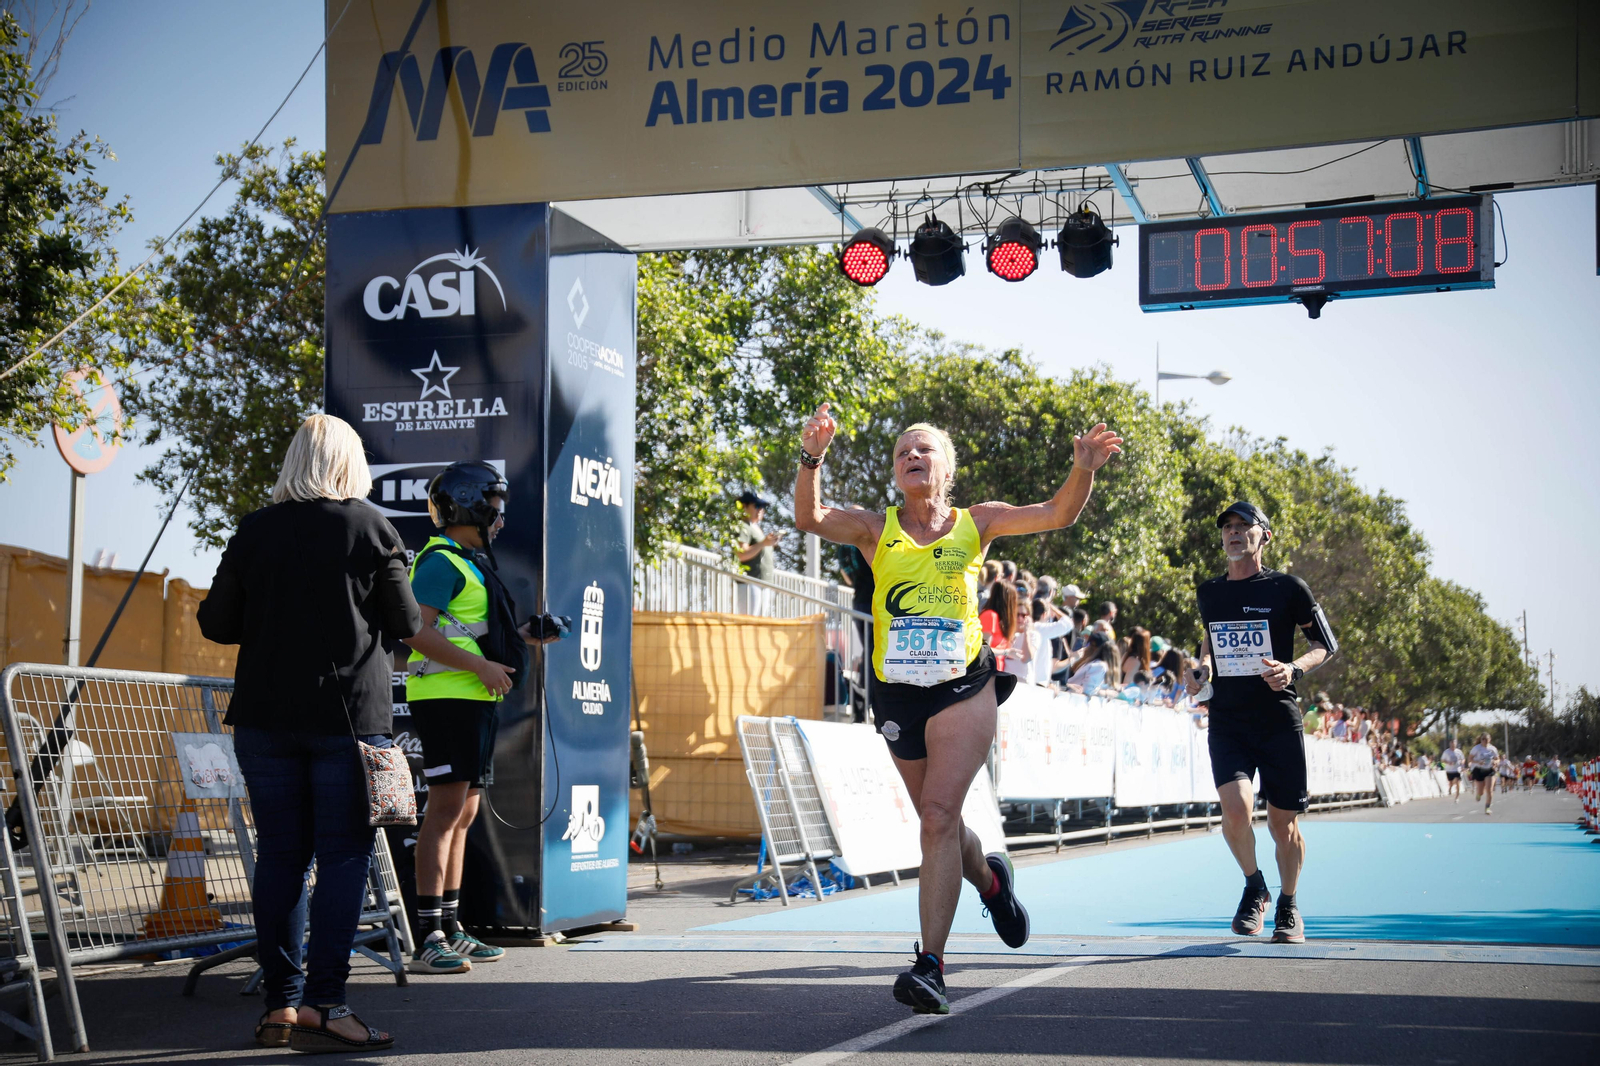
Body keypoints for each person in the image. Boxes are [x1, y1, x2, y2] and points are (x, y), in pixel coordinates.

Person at [795, 402, 1121, 1014]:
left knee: (938, 815)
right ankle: (992, 881)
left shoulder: (979, 522)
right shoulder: (875, 528)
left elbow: (1057, 513)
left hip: (964, 688)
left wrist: (1083, 469)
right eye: (903, 453)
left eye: (925, 450)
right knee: (937, 822)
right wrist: (812, 456)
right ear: (896, 474)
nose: (913, 457)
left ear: (947, 467)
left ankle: (932, 967)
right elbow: (808, 516)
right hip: (897, 692)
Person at [197, 414, 420, 1053]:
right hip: (348, 719)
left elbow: (217, 622)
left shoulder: (255, 530)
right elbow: (404, 621)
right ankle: (329, 1002)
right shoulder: (370, 526)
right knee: (344, 855)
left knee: (281, 858)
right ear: (350, 464)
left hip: (265, 720)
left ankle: (281, 1009)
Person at [402, 461, 562, 975]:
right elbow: (414, 632)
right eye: (493, 508)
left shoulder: (469, 562)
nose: (499, 519)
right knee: (445, 813)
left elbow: (467, 629)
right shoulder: (440, 562)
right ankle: (428, 934)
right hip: (448, 699)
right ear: (469, 506)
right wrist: (480, 666)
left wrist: (525, 635)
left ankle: (451, 926)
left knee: (464, 815)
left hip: (473, 700)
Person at [1185, 501, 1337, 946]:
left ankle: (1289, 904)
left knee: (1281, 824)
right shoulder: (1209, 592)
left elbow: (1325, 644)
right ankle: (1255, 887)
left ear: (1263, 536)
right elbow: (1209, 641)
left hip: (1277, 719)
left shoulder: (1289, 587)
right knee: (1234, 811)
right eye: (1227, 527)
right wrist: (1201, 671)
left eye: (1243, 527)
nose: (1233, 533)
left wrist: (1294, 669)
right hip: (1228, 718)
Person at [734, 489, 779, 615]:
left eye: (763, 507)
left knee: (759, 625)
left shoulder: (755, 527)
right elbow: (741, 554)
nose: (760, 510)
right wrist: (763, 544)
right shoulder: (743, 526)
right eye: (757, 505)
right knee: (749, 623)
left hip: (762, 583)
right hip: (749, 583)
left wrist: (768, 543)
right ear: (744, 506)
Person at [977, 582, 1018, 670]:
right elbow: (984, 650)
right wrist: (1006, 652)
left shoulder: (999, 620)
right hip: (986, 673)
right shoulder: (990, 615)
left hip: (995, 672)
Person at [1467, 733, 1499, 815]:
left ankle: (1487, 807)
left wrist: (1495, 762)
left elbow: (1497, 759)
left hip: (1489, 770)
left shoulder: (1493, 749)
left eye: (1486, 739)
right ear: (1481, 740)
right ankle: (1478, 794)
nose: (1484, 741)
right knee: (1481, 792)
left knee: (1489, 790)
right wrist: (1478, 762)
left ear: (1490, 739)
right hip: (1479, 770)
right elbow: (1470, 759)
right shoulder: (1477, 748)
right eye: (1483, 739)